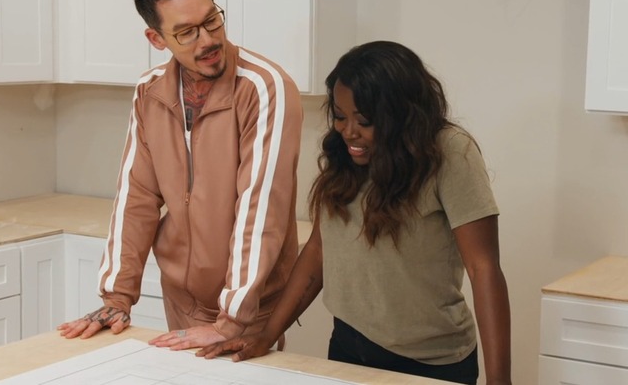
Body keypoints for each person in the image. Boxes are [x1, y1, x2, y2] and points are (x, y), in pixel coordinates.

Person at [198, 41, 511, 385]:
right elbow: (318, 253)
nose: (349, 131)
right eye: (341, 117)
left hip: (429, 363)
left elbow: (484, 269)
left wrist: (500, 381)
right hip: (349, 350)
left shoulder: (450, 153)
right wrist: (266, 334)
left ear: (402, 114)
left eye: (364, 120)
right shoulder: (345, 156)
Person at [57, 0, 303, 352]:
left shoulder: (263, 87)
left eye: (211, 20)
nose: (207, 40)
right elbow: (136, 196)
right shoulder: (149, 91)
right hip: (181, 301)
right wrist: (117, 296)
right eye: (186, 32)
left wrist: (232, 320)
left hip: (249, 307)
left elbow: (262, 210)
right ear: (157, 39)